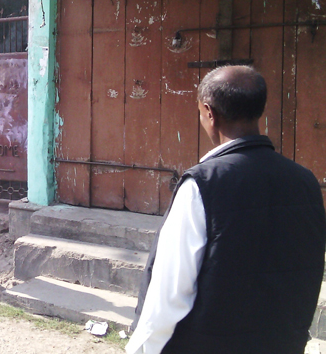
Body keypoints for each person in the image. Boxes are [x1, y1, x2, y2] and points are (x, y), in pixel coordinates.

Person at [126, 65, 326, 354]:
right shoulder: (305, 181)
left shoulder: (201, 186)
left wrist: (142, 349)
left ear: (209, 113)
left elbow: (169, 294)